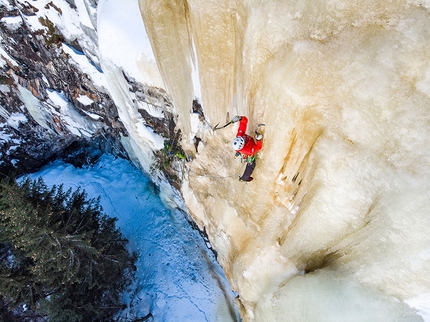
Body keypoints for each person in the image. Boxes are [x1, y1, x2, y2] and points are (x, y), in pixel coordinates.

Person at [231, 115, 263, 182]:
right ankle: (244, 178)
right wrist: (258, 140)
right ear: (242, 145)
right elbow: (258, 147)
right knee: (251, 165)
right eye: (243, 141)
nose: (244, 139)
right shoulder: (249, 150)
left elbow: (243, 123)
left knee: (247, 159)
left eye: (243, 139)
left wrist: (240, 118)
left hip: (242, 149)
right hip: (249, 153)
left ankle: (238, 152)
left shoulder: (239, 135)